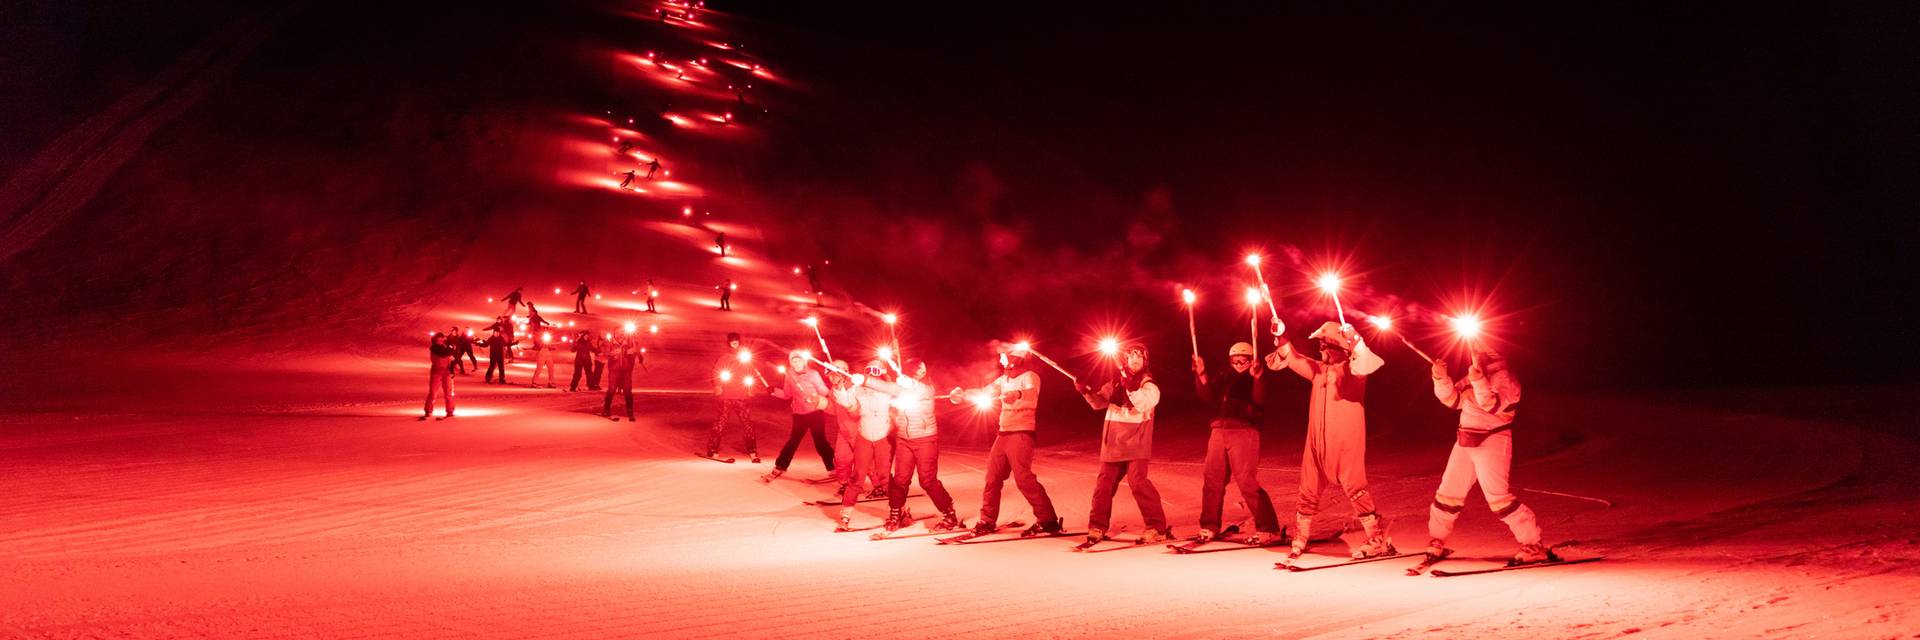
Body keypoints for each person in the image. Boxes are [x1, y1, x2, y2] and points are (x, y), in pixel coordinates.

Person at [1266, 320, 1390, 566]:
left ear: (1337, 347)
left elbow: (1364, 359)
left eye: (1324, 344)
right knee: (1308, 487)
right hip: (1317, 445)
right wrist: (1281, 334)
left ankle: (1375, 538)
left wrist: (1355, 339)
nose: (1320, 349)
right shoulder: (1318, 371)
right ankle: (1301, 536)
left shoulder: (1354, 372)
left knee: (1356, 487)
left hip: (1345, 443)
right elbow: (1293, 358)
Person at [1425, 348, 1555, 566]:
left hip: (1492, 441)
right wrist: (1441, 377)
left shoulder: (1507, 380)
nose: (1478, 351)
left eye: (1483, 348)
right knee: (1448, 493)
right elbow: (1453, 400)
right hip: (1465, 440)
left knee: (1498, 498)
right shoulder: (1475, 373)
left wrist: (1478, 381)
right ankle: (1437, 539)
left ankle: (1533, 544)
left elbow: (1491, 405)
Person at [950, 348, 1062, 537]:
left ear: (1014, 359)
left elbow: (1031, 394)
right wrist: (963, 394)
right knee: (992, 478)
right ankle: (987, 520)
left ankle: (1048, 520)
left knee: (1023, 478)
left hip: (1021, 433)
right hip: (1003, 433)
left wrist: (1017, 395)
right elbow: (985, 391)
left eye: (1003, 357)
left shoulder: (1030, 376)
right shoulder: (1004, 380)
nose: (1001, 361)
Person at [1075, 343, 1170, 544]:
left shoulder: (1148, 385)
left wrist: (1132, 387)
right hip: (1114, 444)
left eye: (1139, 357)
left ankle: (1156, 527)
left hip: (1137, 443)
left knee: (1138, 483)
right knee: (1104, 485)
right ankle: (1097, 526)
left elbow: (1144, 402)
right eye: (1131, 356)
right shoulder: (1115, 383)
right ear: (1125, 360)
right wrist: (1086, 391)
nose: (1135, 360)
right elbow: (1099, 402)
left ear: (1145, 361)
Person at [1192, 342, 1283, 545]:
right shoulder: (1224, 377)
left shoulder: (1254, 377)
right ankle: (1209, 525)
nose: (1239, 363)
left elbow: (1260, 400)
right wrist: (1201, 374)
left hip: (1244, 431)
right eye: (1235, 360)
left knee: (1247, 482)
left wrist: (1258, 378)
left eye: (1244, 359)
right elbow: (1206, 395)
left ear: (1251, 359)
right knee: (1212, 480)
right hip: (1218, 430)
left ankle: (1268, 527)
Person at [867, 358, 964, 532]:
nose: (923, 371)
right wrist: (863, 380)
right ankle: (896, 513)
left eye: (924, 368)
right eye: (919, 368)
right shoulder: (900, 387)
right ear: (911, 370)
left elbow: (920, 390)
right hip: (904, 439)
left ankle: (949, 513)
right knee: (900, 480)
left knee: (927, 480)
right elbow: (883, 386)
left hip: (925, 439)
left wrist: (910, 382)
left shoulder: (927, 388)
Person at [830, 359, 896, 531]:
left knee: (884, 476)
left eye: (876, 371)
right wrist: (839, 386)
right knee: (857, 476)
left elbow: (903, 396)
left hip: (883, 437)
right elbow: (846, 401)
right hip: (864, 437)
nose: (871, 374)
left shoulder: (888, 389)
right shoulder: (859, 389)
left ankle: (897, 510)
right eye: (869, 370)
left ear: (881, 373)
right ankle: (845, 516)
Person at [765, 350, 835, 480]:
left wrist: (833, 387)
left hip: (815, 412)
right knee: (793, 442)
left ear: (804, 361)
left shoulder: (813, 374)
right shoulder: (789, 375)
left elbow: (824, 391)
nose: (796, 364)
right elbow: (787, 394)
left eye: (799, 361)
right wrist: (774, 391)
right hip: (799, 414)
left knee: (821, 442)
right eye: (793, 361)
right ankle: (780, 466)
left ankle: (833, 467)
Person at [706, 333, 760, 462]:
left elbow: (753, 373)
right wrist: (718, 385)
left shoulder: (745, 359)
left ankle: (752, 450)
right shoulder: (725, 358)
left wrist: (752, 387)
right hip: (726, 396)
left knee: (747, 423)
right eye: (732, 341)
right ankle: (713, 449)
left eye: (736, 341)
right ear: (729, 343)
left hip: (741, 396)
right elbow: (716, 372)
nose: (734, 343)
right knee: (721, 423)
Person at [602, 333, 641, 421]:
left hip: (626, 371)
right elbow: (605, 353)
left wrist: (632, 353)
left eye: (622, 333)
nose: (620, 336)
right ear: (615, 334)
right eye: (618, 333)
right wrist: (611, 355)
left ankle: (630, 411)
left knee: (628, 391)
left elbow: (635, 351)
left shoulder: (629, 343)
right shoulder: (610, 343)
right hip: (614, 370)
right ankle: (606, 409)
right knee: (611, 390)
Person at [423, 333, 456, 420]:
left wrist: (452, 371)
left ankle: (450, 410)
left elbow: (451, 359)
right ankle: (428, 410)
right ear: (435, 340)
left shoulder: (445, 347)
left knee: (448, 392)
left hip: (446, 372)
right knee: (433, 392)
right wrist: (451, 349)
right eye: (438, 340)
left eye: (442, 340)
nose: (440, 342)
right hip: (436, 372)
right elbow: (443, 354)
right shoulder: (434, 348)